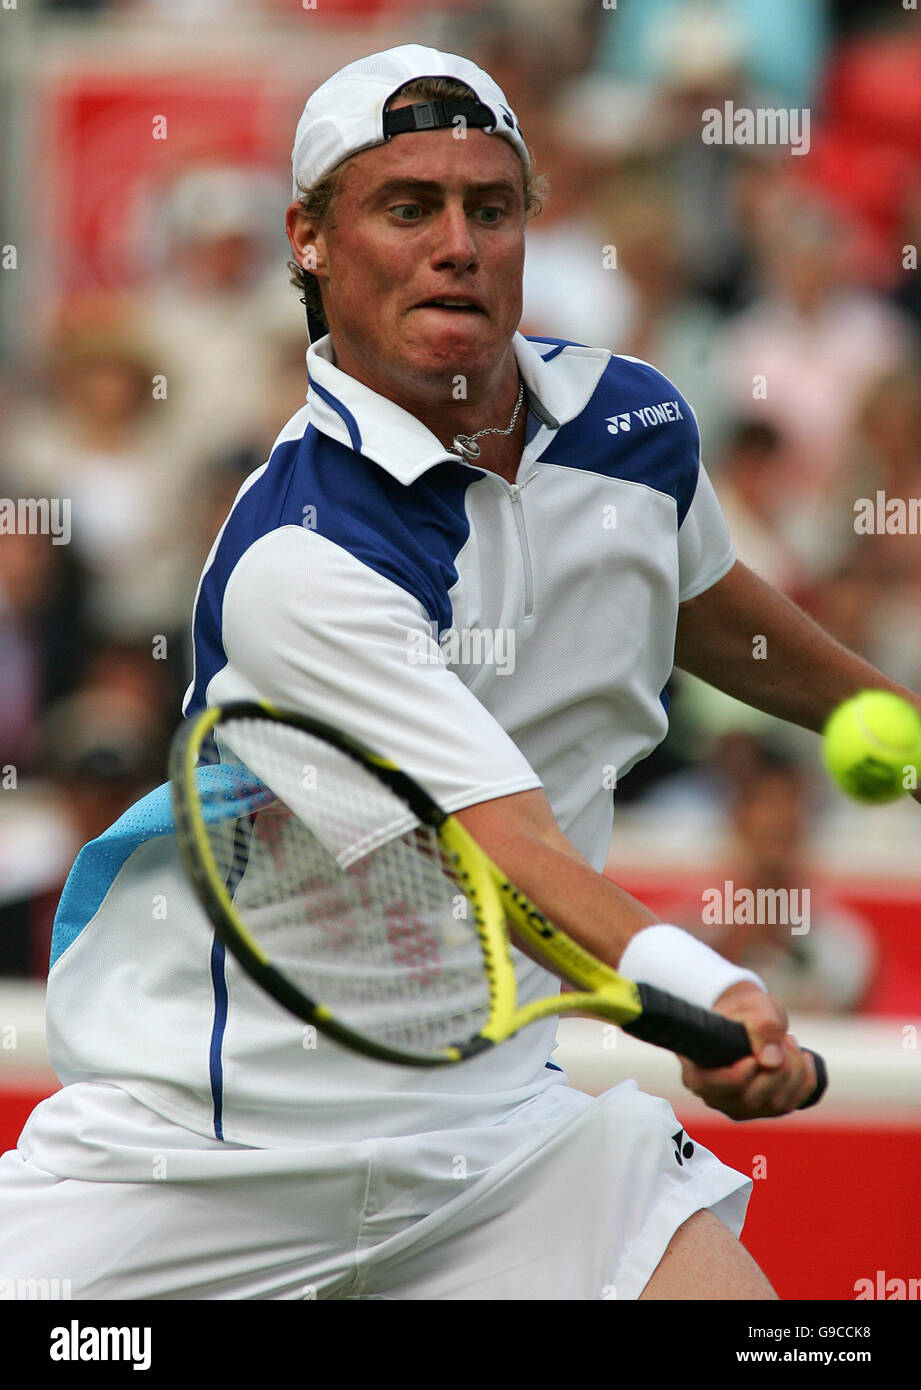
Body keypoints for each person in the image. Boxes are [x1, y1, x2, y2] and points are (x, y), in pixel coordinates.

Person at [0, 44, 918, 1303]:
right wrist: (709, 986)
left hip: (498, 1135)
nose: (459, 243)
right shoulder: (298, 562)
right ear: (310, 240)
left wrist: (907, 735)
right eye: (407, 206)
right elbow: (509, 844)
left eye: (492, 208)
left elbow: (708, 610)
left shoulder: (631, 430)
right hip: (205, 1160)